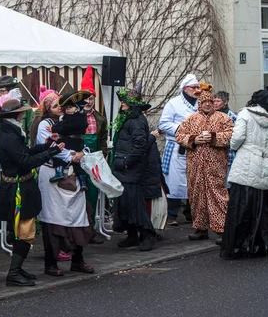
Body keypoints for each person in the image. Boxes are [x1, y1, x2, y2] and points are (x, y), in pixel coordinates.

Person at [0, 91, 64, 286]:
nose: (23, 115)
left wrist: (47, 145)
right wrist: (51, 151)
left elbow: (26, 152)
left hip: (21, 186)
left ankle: (18, 269)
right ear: (15, 115)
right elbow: (25, 161)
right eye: (21, 112)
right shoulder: (9, 135)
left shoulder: (11, 131)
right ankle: (13, 273)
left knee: (24, 231)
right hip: (17, 190)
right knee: (24, 232)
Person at [35, 89, 96, 276]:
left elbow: (81, 142)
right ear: (47, 108)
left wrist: (82, 152)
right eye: (55, 106)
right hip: (53, 174)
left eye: (62, 105)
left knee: (78, 215)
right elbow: (49, 147)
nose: (60, 109)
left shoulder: (72, 122)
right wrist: (72, 156)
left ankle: (78, 259)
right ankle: (50, 263)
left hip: (73, 175)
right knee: (53, 219)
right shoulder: (45, 125)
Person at [220, 90, 268, 259]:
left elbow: (236, 140)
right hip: (266, 166)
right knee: (261, 210)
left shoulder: (245, 114)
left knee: (241, 208)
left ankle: (237, 246)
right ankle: (258, 245)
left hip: (245, 165)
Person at [176, 84, 233, 244]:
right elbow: (179, 135)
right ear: (199, 104)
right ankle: (200, 229)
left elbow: (231, 136)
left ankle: (222, 229)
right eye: (204, 102)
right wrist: (193, 140)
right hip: (195, 166)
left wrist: (214, 138)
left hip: (216, 166)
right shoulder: (191, 119)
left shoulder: (224, 119)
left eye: (210, 101)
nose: (207, 104)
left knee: (218, 196)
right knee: (196, 196)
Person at [111, 83, 156, 251]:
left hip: (130, 169)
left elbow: (139, 145)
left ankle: (147, 234)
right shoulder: (127, 119)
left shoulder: (137, 121)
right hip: (123, 168)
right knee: (125, 203)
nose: (121, 105)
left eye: (124, 103)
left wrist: (126, 162)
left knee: (134, 203)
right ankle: (131, 235)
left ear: (131, 105)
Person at [159, 73, 199, 226]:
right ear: (185, 88)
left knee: (194, 181)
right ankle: (172, 214)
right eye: (193, 87)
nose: (196, 90)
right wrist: (183, 129)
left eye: (197, 87)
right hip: (178, 148)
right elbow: (163, 124)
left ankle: (192, 213)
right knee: (175, 183)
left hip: (196, 147)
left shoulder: (200, 104)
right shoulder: (173, 103)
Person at [80, 65, 108, 244]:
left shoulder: (100, 118)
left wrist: (102, 154)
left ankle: (90, 230)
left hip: (93, 161)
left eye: (91, 98)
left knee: (92, 194)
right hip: (77, 159)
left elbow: (103, 139)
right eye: (85, 98)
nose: (88, 101)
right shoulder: (74, 117)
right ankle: (78, 230)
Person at [48, 90, 91, 192]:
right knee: (76, 164)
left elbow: (65, 127)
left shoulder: (77, 118)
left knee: (57, 150)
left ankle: (60, 172)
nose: (67, 110)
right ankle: (82, 182)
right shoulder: (73, 117)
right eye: (66, 108)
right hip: (75, 143)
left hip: (72, 142)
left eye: (70, 107)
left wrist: (54, 128)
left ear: (77, 108)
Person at [0, 75, 34, 145]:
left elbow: (31, 131)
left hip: (20, 149)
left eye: (2, 91)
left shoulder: (25, 108)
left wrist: (28, 147)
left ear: (12, 92)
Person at [214, 91, 237, 187]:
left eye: (218, 101)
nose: (215, 103)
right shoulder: (212, 116)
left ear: (225, 102)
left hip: (228, 156)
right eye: (214, 101)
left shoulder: (232, 117)